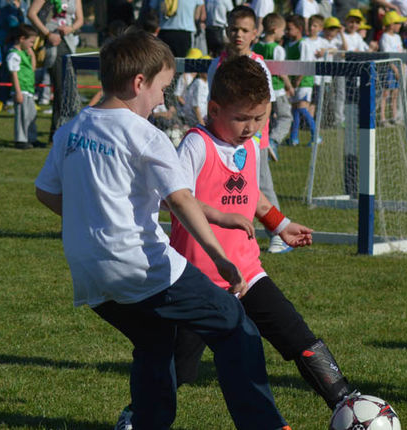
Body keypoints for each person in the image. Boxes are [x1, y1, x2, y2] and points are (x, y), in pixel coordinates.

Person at [33, 30, 290, 430]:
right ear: (140, 82)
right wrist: (221, 259)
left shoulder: (73, 129)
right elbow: (181, 200)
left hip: (88, 273)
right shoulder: (146, 135)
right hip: (140, 266)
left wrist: (91, 218)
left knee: (154, 341)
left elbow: (46, 192)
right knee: (233, 323)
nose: (163, 100)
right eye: (162, 88)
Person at [170, 55, 358, 413]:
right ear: (214, 109)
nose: (251, 127)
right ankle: (137, 414)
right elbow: (176, 198)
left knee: (299, 337)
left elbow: (250, 193)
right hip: (197, 278)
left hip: (247, 271)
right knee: (177, 368)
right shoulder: (197, 144)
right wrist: (220, 216)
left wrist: (280, 224)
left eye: (259, 118)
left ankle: (347, 402)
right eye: (242, 118)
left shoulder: (250, 145)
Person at [209, 5, 292, 254]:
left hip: (253, 141)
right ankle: (229, 235)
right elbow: (212, 103)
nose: (239, 35)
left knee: (261, 187)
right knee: (227, 188)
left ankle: (279, 234)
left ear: (255, 33)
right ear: (227, 30)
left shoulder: (258, 64)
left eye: (245, 30)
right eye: (235, 29)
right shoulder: (216, 65)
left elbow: (266, 105)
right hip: (223, 140)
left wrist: (254, 134)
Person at [27, 0, 84, 143]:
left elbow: (80, 19)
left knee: (70, 92)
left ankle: (67, 132)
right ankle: (57, 133)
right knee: (61, 90)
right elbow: (31, 13)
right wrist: (47, 34)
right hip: (53, 46)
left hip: (69, 44)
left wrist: (71, 28)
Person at [253, 12, 295, 155]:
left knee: (267, 118)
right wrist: (289, 86)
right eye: (283, 30)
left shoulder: (255, 47)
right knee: (285, 117)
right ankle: (273, 140)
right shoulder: (277, 49)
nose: (283, 34)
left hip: (261, 90)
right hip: (277, 90)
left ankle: (264, 142)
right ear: (275, 29)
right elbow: (281, 72)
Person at [285, 14, 319, 146]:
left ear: (299, 29)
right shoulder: (288, 45)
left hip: (304, 81)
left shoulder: (303, 44)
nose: (287, 31)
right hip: (294, 82)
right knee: (295, 110)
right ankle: (294, 138)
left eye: (290, 29)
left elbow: (305, 63)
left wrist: (298, 80)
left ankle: (316, 136)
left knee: (302, 108)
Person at [7, 24, 39, 149]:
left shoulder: (25, 53)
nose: (32, 45)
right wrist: (18, 92)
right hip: (21, 90)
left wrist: (32, 55)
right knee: (22, 116)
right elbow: (14, 74)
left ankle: (31, 138)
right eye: (31, 42)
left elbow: (33, 68)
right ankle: (20, 139)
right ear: (22, 39)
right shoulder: (14, 55)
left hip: (29, 90)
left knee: (31, 115)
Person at [379, 10, 406, 125]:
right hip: (389, 68)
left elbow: (401, 53)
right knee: (386, 93)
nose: (400, 25)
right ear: (391, 25)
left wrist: (401, 68)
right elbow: (387, 56)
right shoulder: (385, 37)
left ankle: (394, 117)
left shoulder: (397, 37)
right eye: (398, 23)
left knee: (395, 94)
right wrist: (395, 70)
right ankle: (382, 118)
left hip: (398, 67)